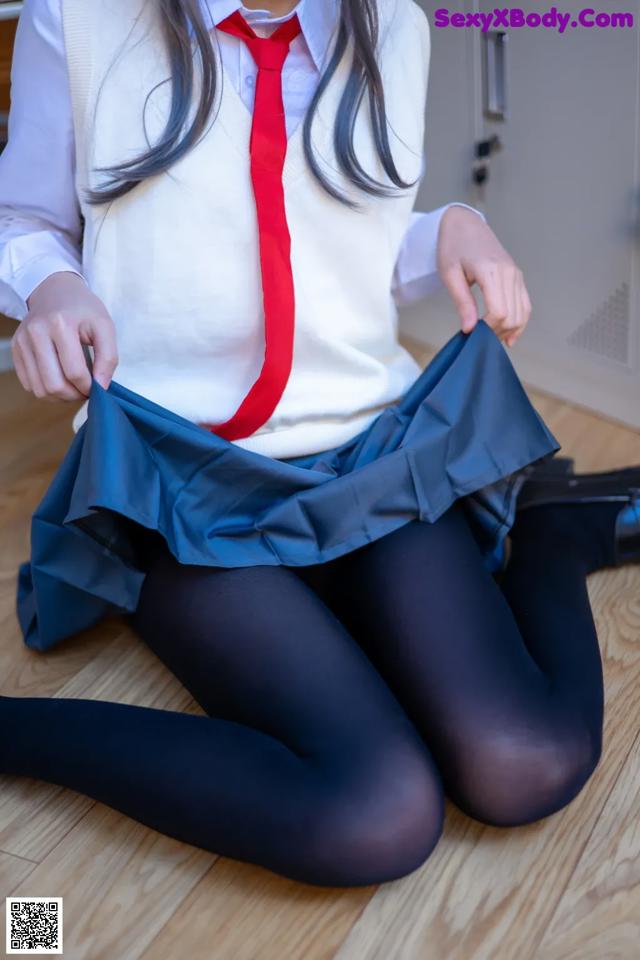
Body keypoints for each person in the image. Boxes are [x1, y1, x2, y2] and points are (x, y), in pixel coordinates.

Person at [1, 0, 638, 889]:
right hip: (181, 480)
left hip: (367, 456)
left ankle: (554, 532)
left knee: (523, 761)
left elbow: (351, 243)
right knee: (372, 811)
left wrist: (449, 225)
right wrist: (52, 287)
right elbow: (23, 220)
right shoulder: (77, 20)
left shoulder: (393, 27)